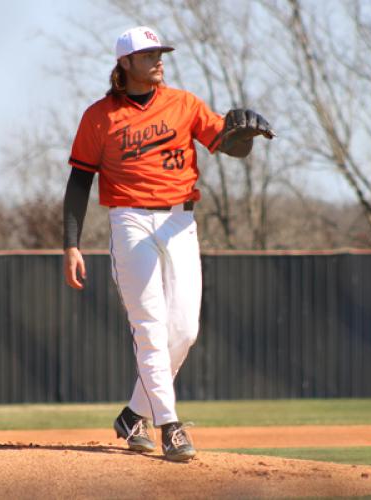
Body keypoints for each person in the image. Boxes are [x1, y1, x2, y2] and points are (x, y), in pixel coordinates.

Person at [63, 26, 274, 462]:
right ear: (125, 63)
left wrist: (246, 134)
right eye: (148, 54)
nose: (159, 59)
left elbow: (229, 146)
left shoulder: (185, 103)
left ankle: (133, 415)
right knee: (150, 327)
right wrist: (71, 244)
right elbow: (80, 180)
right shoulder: (100, 116)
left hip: (180, 222)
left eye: (160, 51)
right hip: (130, 221)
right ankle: (170, 426)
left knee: (186, 331)